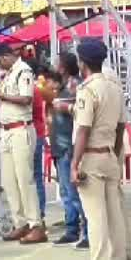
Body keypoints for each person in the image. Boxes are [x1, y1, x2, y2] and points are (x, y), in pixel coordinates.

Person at [71, 39, 129, 260]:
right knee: (115, 216)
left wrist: (74, 165)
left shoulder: (87, 90)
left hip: (91, 158)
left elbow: (83, 130)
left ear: (82, 62)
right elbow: (121, 126)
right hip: (109, 155)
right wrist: (114, 151)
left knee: (96, 218)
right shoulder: (115, 88)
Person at [0, 43, 45, 243]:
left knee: (25, 180)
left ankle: (36, 223)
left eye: (0, 60)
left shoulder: (23, 71)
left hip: (21, 129)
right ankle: (21, 222)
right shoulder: (8, 74)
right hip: (7, 130)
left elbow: (26, 98)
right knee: (10, 181)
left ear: (8, 55)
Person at [47, 54, 88, 249]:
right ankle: (71, 229)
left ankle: (85, 231)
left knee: (74, 192)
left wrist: (64, 106)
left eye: (57, 63)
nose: (54, 66)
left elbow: (80, 111)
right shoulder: (62, 86)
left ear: (63, 67)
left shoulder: (74, 85)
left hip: (67, 145)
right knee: (65, 191)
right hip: (59, 144)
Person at [31, 62, 51, 226]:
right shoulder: (39, 88)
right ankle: (38, 213)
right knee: (36, 176)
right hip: (39, 132)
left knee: (34, 176)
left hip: (34, 133)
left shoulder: (36, 89)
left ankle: (38, 213)